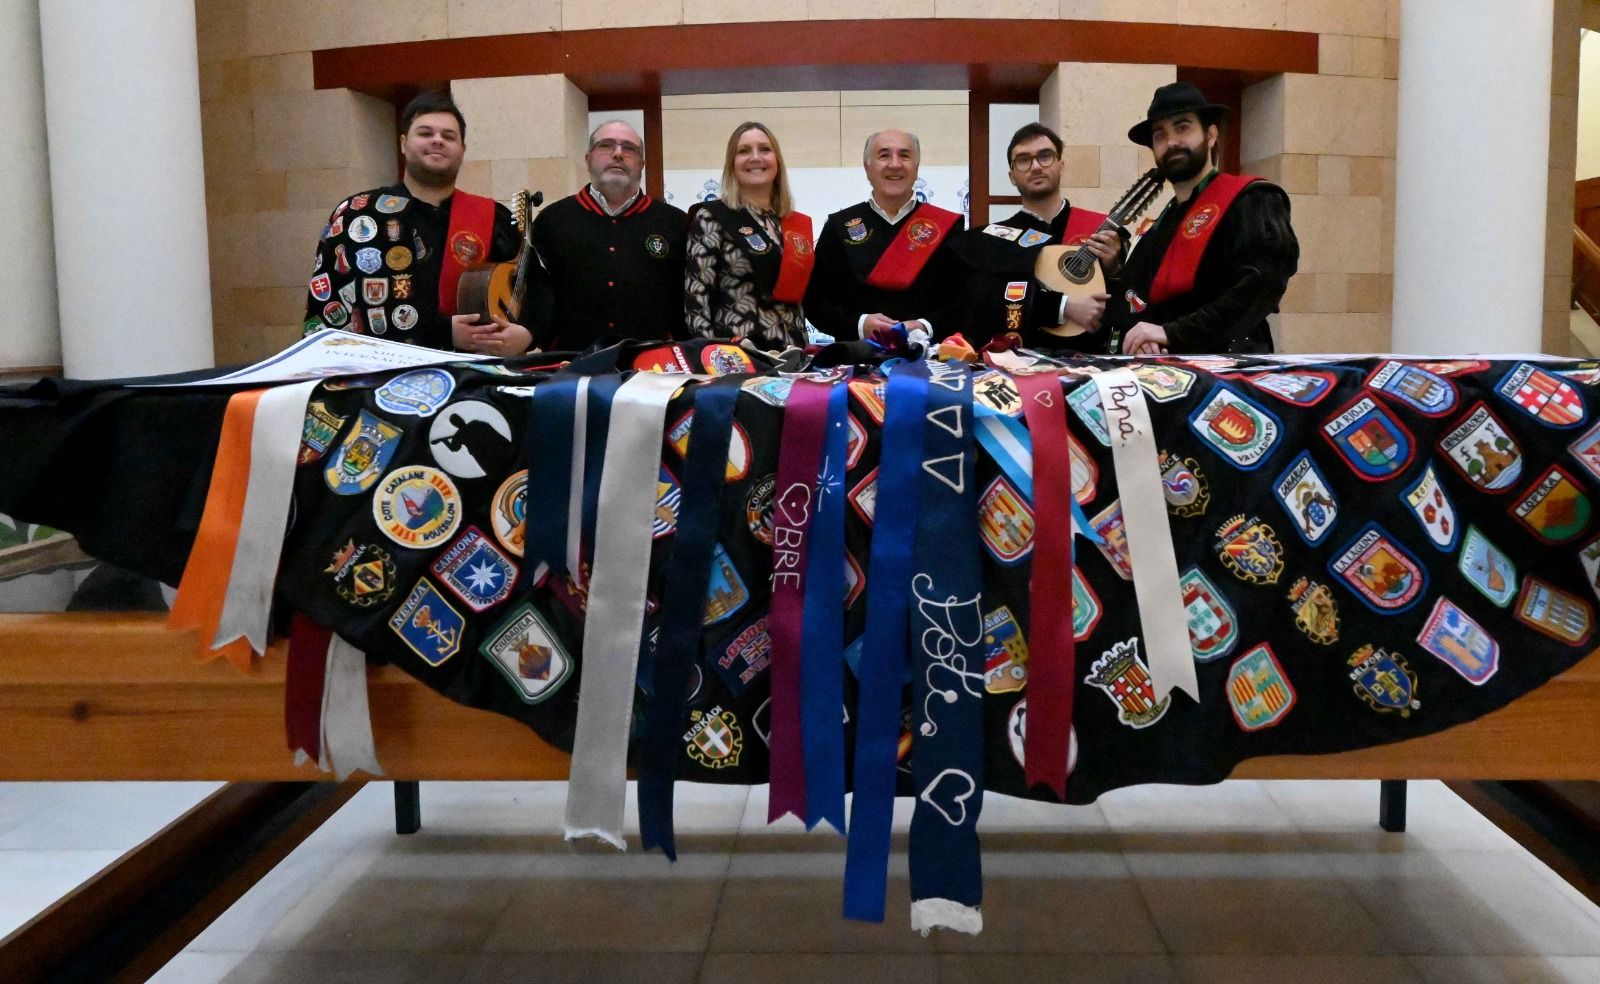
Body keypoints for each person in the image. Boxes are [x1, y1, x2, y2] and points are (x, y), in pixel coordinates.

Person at [302, 91, 527, 355]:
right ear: (403, 143)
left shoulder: (492, 216)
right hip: (380, 375)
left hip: (471, 377)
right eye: (425, 133)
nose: (437, 141)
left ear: (462, 150)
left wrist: (527, 333)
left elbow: (534, 285)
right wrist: (443, 331)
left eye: (448, 136)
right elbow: (333, 305)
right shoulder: (357, 214)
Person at [1103, 82, 1299, 356]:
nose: (1171, 142)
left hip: (1230, 374)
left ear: (1210, 135)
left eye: (1183, 127)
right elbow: (1136, 299)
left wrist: (1170, 334)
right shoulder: (1160, 224)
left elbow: (1261, 287)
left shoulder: (1251, 199)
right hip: (1164, 377)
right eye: (1160, 135)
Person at [952, 122, 1124, 347]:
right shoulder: (990, 241)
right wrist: (1063, 306)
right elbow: (984, 304)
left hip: (1091, 363)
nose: (1035, 166)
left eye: (1045, 156)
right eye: (1024, 160)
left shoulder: (1099, 231)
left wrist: (1113, 269)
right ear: (1012, 176)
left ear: (1061, 166)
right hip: (1018, 365)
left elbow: (1130, 301)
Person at [525, 120, 688, 349]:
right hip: (569, 365)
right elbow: (536, 293)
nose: (618, 154)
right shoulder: (552, 220)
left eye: (629, 148)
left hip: (653, 367)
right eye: (606, 146)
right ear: (588, 159)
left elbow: (686, 301)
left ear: (642, 163)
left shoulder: (675, 223)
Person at [803, 129, 965, 342]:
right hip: (855, 362)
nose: (895, 164)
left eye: (905, 155)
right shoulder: (839, 226)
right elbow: (816, 301)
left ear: (916, 167)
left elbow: (964, 300)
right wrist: (860, 325)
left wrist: (924, 327)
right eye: (884, 155)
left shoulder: (947, 227)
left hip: (930, 363)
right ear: (867, 167)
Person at [684, 122, 814, 351]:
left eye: (765, 149)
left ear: (777, 162)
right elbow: (697, 298)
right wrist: (706, 360)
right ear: (732, 164)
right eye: (744, 151)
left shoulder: (792, 224)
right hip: (739, 360)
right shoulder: (713, 216)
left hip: (793, 357)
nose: (755, 157)